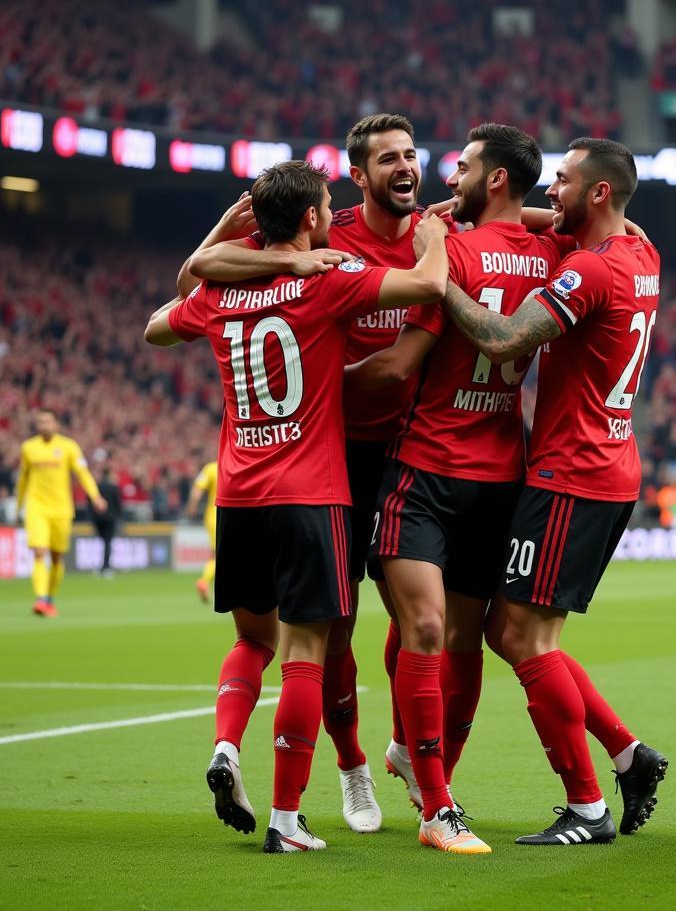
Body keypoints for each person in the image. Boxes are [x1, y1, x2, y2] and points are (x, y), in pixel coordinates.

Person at [144, 159, 448, 854]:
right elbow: (429, 285)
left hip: (241, 494)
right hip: (312, 493)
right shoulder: (329, 283)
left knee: (253, 639)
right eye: (328, 204)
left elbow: (157, 326)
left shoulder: (218, 294)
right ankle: (285, 819)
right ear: (312, 218)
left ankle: (227, 744)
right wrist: (432, 233)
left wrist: (226, 233)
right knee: (308, 651)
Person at [347, 123, 574, 855]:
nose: (450, 178)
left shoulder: (446, 253)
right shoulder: (556, 255)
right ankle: (437, 803)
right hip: (482, 472)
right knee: (441, 634)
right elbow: (578, 224)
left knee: (443, 635)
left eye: (465, 167)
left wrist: (318, 389)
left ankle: (423, 776)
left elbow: (397, 365)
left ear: (496, 179)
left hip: (437, 467)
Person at [442, 138, 668, 846]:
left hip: (572, 471)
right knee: (510, 631)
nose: (551, 195)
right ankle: (630, 756)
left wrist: (435, 280)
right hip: (609, 465)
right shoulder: (642, 253)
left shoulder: (590, 273)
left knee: (525, 637)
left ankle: (587, 806)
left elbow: (507, 340)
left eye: (564, 183)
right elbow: (569, 223)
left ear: (599, 194)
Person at [16, 409, 107, 617]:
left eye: (48, 421)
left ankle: (50, 598)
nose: (44, 425)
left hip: (61, 510)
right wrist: (19, 506)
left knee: (56, 558)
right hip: (37, 508)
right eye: (40, 422)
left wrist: (95, 496)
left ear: (56, 425)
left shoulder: (68, 447)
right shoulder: (29, 448)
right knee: (39, 552)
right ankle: (40, 598)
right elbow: (23, 480)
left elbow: (82, 473)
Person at [186, 459, 218, 602]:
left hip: (212, 516)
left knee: (216, 554)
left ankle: (205, 582)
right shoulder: (238, 465)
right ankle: (204, 581)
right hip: (233, 516)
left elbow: (197, 490)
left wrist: (191, 508)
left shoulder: (210, 468)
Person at [92, 466, 123, 578]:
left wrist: (92, 517)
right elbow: (118, 504)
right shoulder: (113, 487)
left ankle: (102, 567)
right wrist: (119, 517)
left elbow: (91, 503)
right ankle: (106, 567)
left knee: (102, 542)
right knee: (107, 543)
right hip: (110, 519)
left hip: (98, 519)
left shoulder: (97, 487)